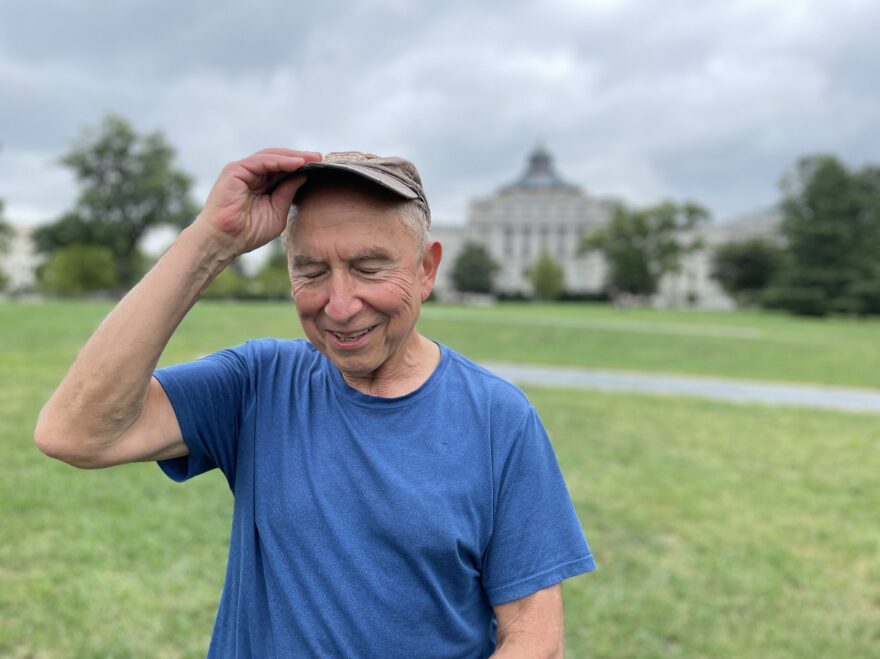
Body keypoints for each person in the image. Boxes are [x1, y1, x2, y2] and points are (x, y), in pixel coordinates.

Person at [35, 148, 595, 657]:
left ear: (426, 269)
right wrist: (211, 241)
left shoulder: (499, 418)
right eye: (311, 271)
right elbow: (76, 432)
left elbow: (534, 636)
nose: (340, 304)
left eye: (369, 267)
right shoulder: (259, 383)